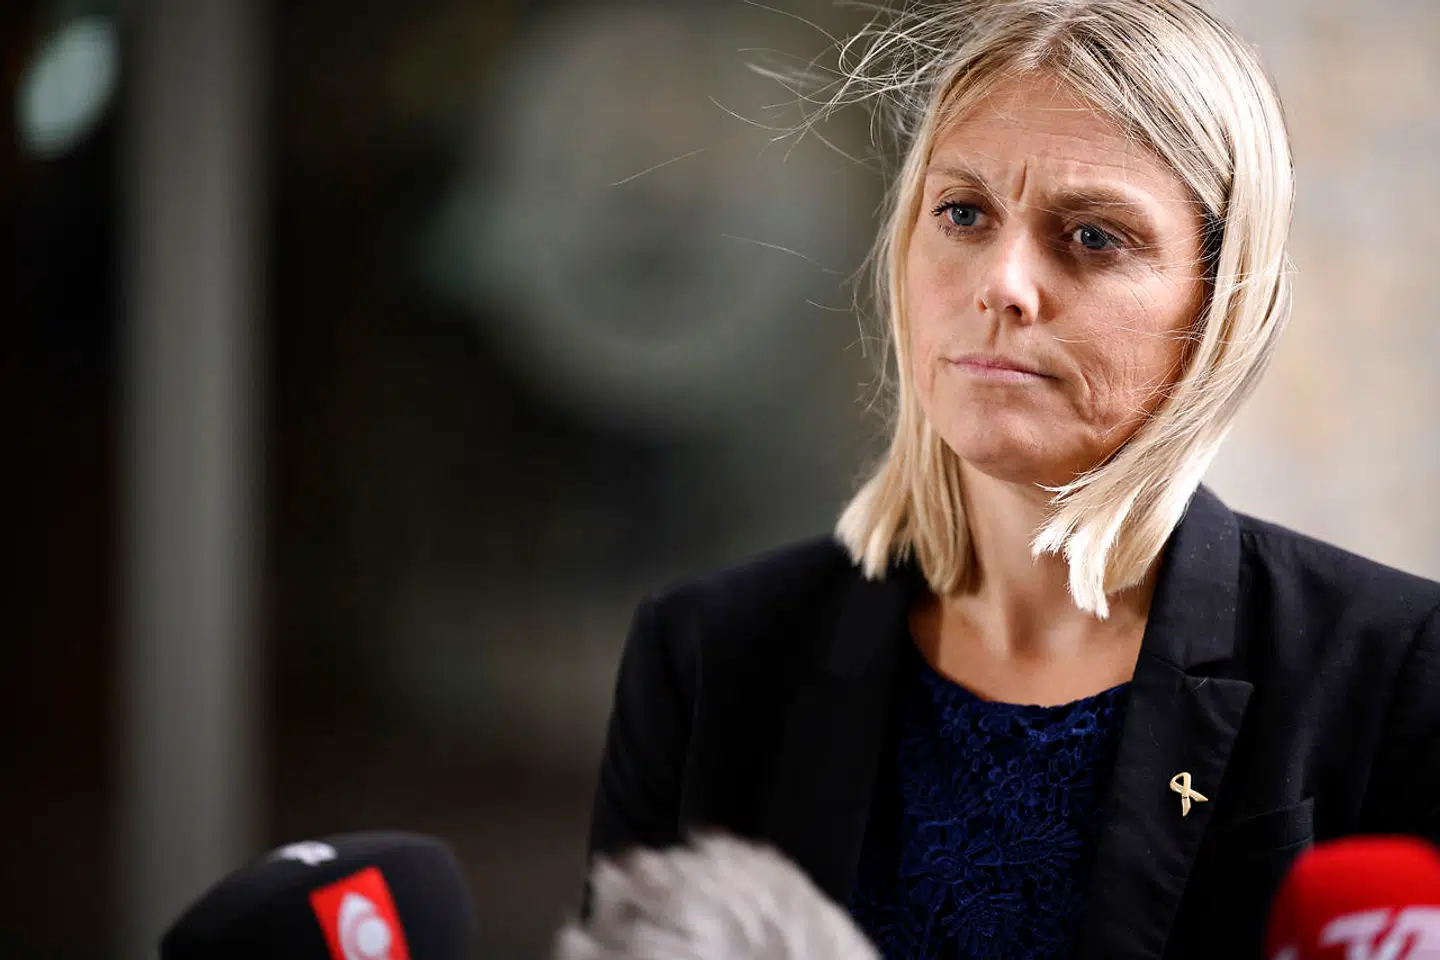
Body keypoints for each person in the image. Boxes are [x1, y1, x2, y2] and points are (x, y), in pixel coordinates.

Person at [583, 1, 1440, 958]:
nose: (1002, 284)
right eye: (962, 214)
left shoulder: (1395, 669)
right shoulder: (711, 658)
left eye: (1094, 236)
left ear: (1219, 300)